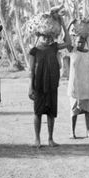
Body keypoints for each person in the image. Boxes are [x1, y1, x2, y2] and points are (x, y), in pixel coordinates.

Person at [28, 12, 72, 148]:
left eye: (49, 37)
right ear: (39, 35)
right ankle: (37, 139)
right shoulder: (34, 51)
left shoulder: (54, 47)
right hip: (39, 85)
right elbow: (31, 71)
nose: (47, 39)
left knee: (51, 112)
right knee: (38, 112)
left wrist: (64, 24)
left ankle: (51, 139)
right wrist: (30, 87)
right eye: (44, 37)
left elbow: (68, 42)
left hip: (52, 85)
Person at [67, 32, 89, 139]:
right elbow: (65, 39)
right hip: (74, 85)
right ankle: (72, 132)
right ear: (75, 42)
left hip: (86, 85)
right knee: (74, 110)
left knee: (87, 110)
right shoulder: (72, 51)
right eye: (78, 42)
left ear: (85, 42)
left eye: (82, 42)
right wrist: (68, 25)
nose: (80, 44)